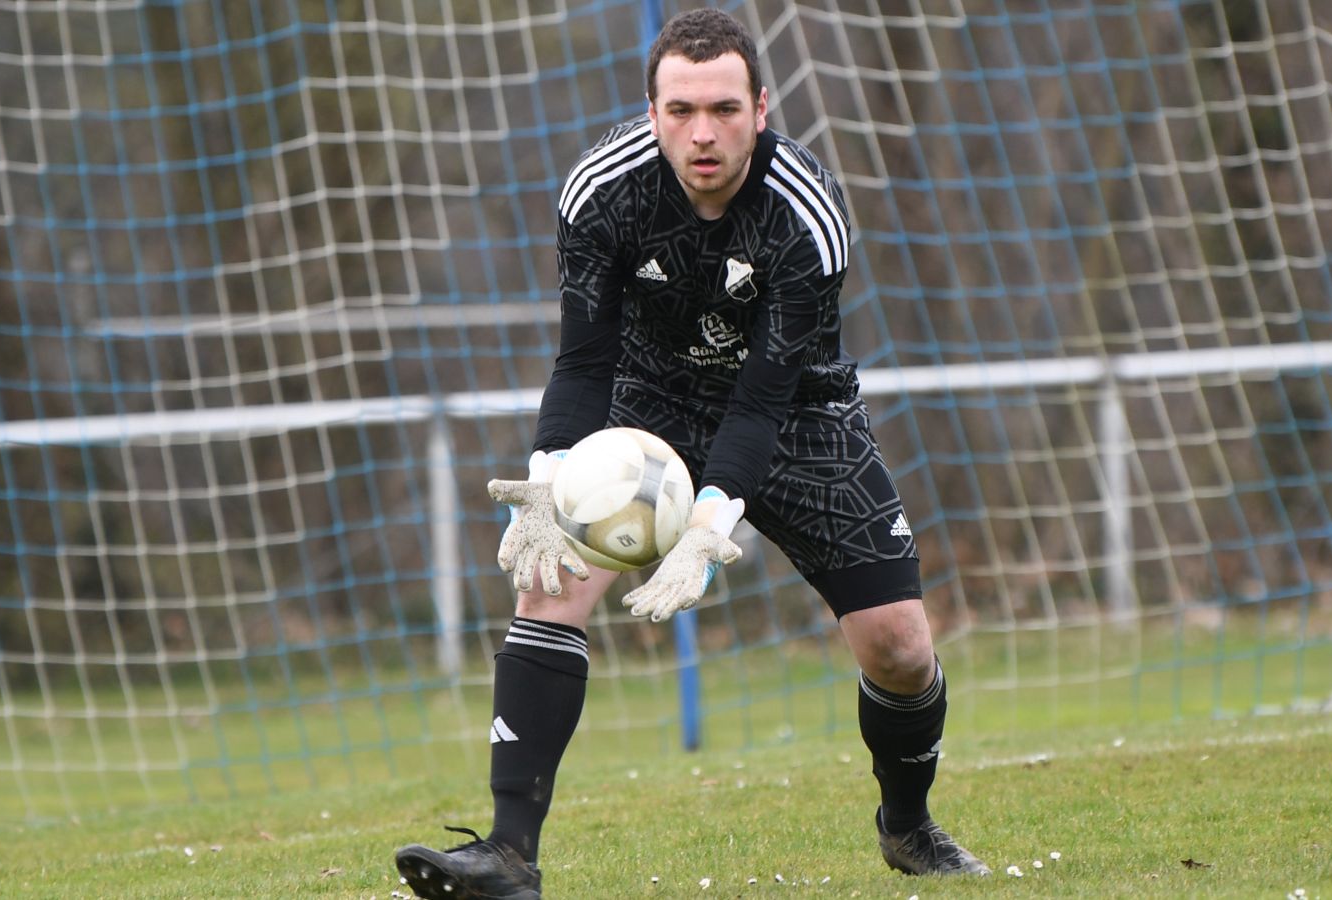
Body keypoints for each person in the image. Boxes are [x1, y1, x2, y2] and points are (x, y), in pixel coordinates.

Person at [394, 9, 988, 898]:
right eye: (678, 110)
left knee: (900, 647)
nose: (701, 133)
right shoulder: (602, 190)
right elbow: (584, 359)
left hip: (799, 415)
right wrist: (549, 479)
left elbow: (762, 398)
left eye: (721, 108)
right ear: (651, 109)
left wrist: (712, 523)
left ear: (760, 105)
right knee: (546, 580)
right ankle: (509, 857)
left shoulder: (807, 213)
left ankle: (907, 826)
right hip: (650, 402)